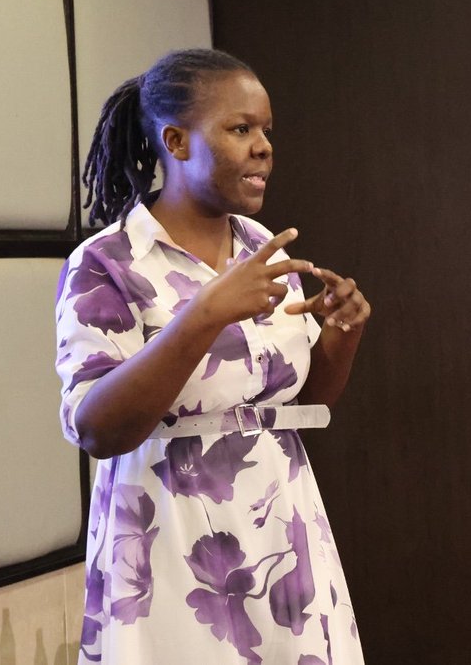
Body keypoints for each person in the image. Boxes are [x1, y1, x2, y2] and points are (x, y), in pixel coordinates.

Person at [54, 48, 370, 664]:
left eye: (266, 131)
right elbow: (95, 426)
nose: (263, 147)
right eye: (240, 129)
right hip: (170, 540)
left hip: (284, 533)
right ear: (175, 141)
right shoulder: (106, 264)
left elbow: (300, 402)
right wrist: (204, 315)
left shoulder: (262, 248)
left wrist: (339, 335)